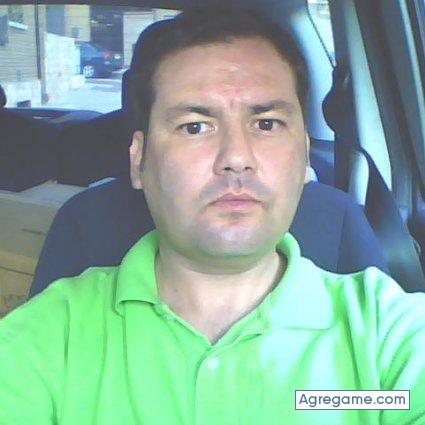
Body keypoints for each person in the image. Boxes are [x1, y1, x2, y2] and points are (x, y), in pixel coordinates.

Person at [0, 6, 424, 424]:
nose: (237, 157)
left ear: (305, 158)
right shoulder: (48, 335)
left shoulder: (391, 336)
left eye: (267, 124)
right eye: (195, 127)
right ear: (139, 161)